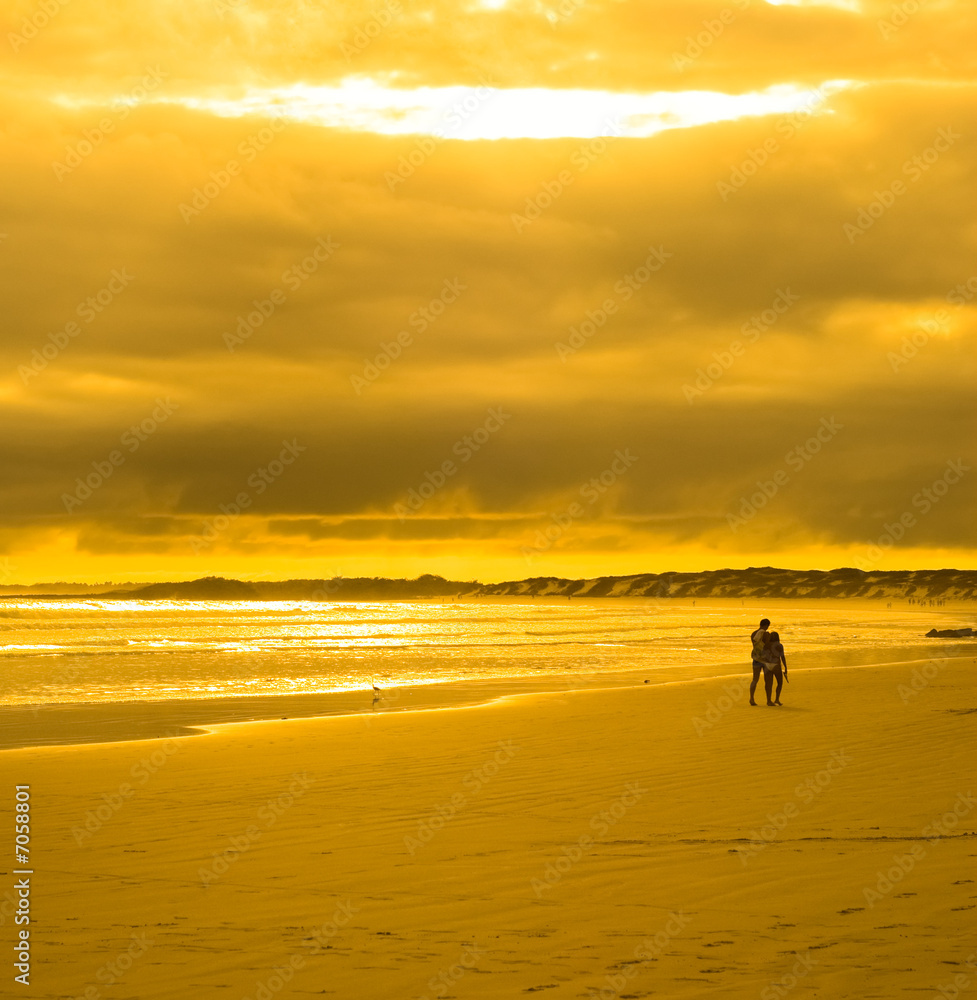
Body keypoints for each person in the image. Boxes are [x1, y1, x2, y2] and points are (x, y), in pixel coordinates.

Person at [749, 618, 770, 706]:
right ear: (766, 625)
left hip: (756, 658)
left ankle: (751, 698)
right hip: (765, 659)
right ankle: (768, 700)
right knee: (767, 680)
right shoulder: (765, 634)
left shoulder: (753, 633)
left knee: (755, 679)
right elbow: (767, 645)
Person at [762, 631, 787, 706]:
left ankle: (768, 700)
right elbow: (782, 657)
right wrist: (785, 667)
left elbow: (763, 656)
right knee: (779, 682)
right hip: (776, 665)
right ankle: (777, 699)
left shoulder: (766, 645)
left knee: (768, 684)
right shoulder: (779, 645)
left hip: (767, 665)